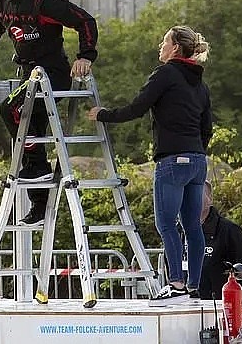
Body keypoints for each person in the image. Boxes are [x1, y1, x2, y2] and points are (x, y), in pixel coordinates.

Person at [0, 0, 98, 226]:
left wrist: (86, 56)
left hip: (52, 74)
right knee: (32, 130)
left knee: (9, 110)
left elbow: (85, 21)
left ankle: (37, 168)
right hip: (28, 75)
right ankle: (40, 208)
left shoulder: (44, 0)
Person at [88, 25, 211, 301]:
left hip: (172, 161)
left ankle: (176, 285)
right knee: (193, 225)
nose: (160, 46)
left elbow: (137, 107)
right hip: (197, 161)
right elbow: (207, 128)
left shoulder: (166, 74)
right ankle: (194, 286)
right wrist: (195, 152)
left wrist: (103, 114)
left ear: (176, 48)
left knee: (166, 224)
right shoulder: (200, 84)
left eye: (164, 42)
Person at [198, 181, 242, 300]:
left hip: (218, 308)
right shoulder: (178, 231)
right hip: (185, 308)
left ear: (209, 200)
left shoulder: (229, 230)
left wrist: (229, 301)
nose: (190, 198)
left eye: (196, 192)